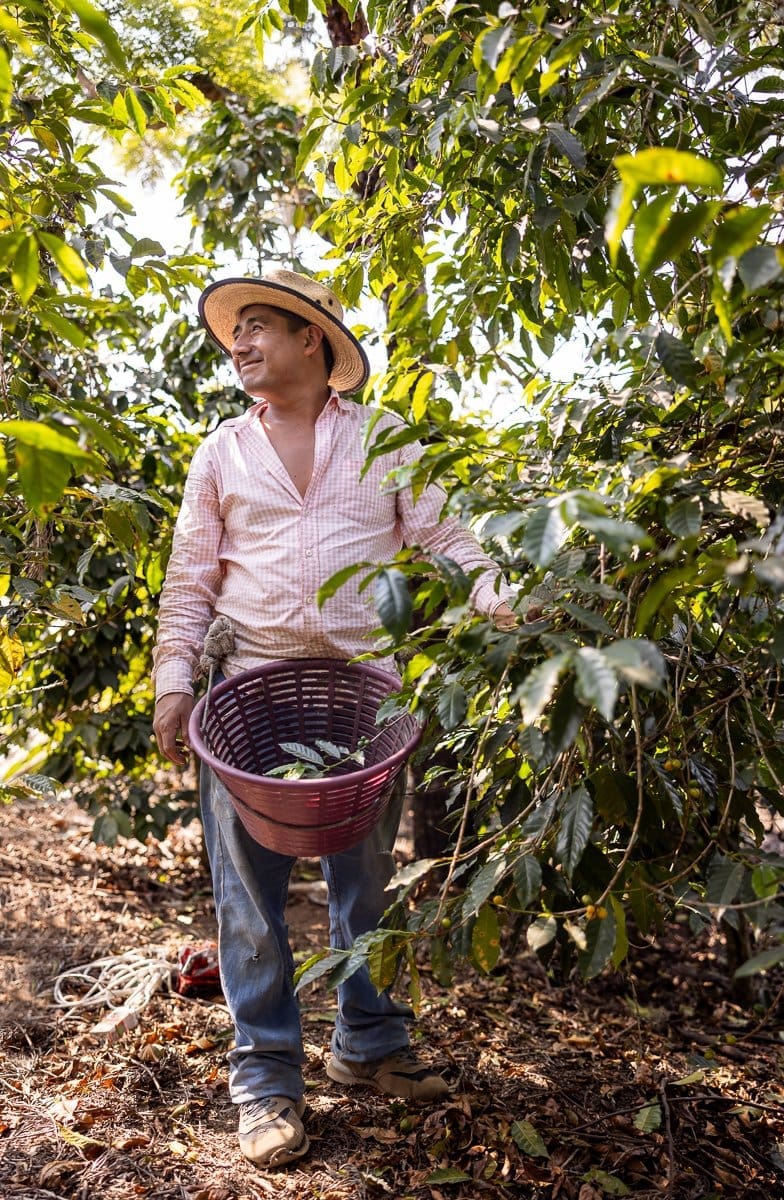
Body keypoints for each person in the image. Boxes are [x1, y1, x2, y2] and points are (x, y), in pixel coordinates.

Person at [152, 267, 517, 1169]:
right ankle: (267, 1080)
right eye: (235, 332)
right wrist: (172, 683)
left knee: (365, 885)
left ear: (312, 339)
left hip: (363, 696)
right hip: (250, 693)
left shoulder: (384, 439)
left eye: (260, 327)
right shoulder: (222, 453)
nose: (239, 344)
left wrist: (510, 598)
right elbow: (191, 579)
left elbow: (451, 540)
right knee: (249, 901)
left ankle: (371, 1045)